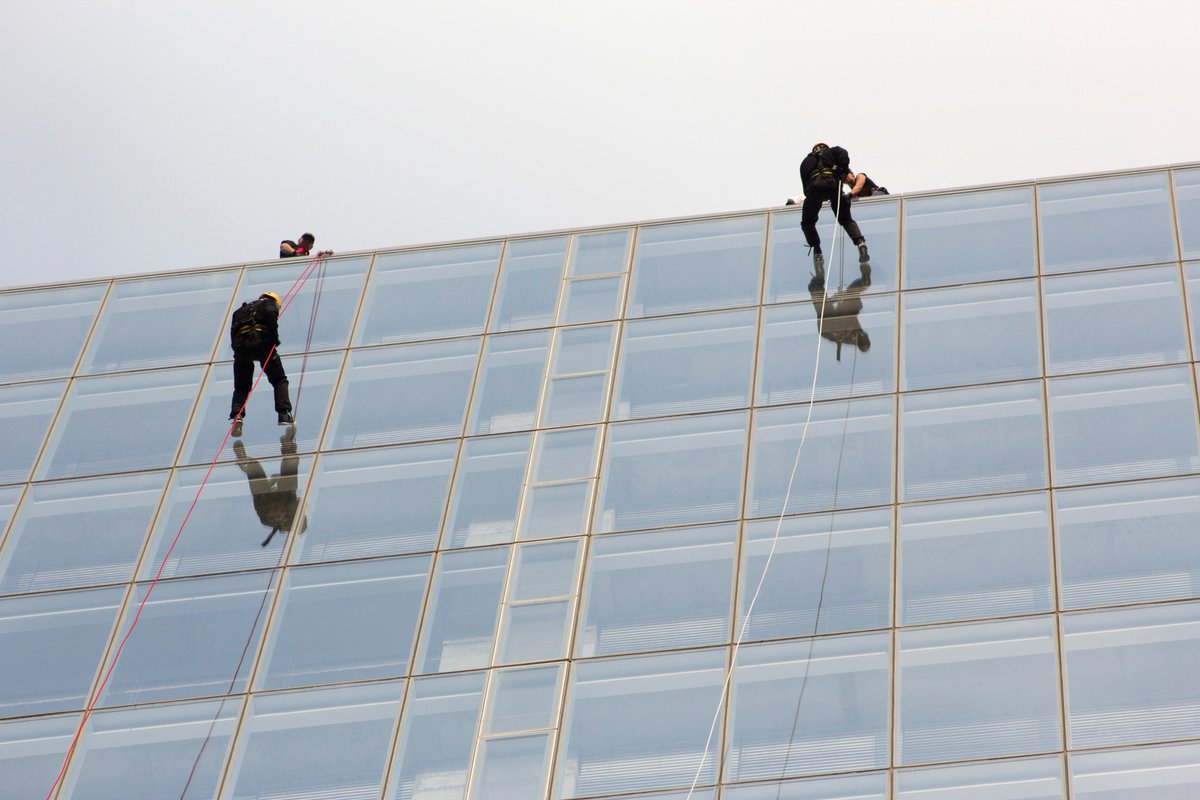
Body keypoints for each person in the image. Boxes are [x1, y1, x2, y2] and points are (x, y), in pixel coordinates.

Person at [796, 143, 871, 277]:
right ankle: (860, 243)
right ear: (824, 147)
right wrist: (842, 172)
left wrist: (814, 196)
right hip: (833, 185)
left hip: (815, 187)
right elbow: (843, 154)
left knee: (807, 222)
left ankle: (817, 251)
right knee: (845, 219)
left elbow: (805, 186)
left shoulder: (805, 162)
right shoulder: (832, 151)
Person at [228, 291, 294, 434]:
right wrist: (274, 339)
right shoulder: (269, 304)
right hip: (261, 343)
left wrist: (238, 353)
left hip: (242, 348)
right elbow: (271, 316)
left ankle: (237, 416)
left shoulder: (239, 311)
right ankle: (284, 413)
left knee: (241, 387)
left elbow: (233, 333)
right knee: (279, 380)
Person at [233, 429, 306, 547]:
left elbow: (299, 501)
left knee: (290, 484)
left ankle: (289, 451)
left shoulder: (292, 516)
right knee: (255, 471)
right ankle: (246, 463)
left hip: (283, 504)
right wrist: (272, 483)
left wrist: (273, 482)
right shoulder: (271, 523)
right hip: (264, 507)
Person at [809, 273, 871, 361]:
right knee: (850, 292)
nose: (864, 333)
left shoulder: (854, 336)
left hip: (828, 325)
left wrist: (837, 299)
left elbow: (844, 319)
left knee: (851, 291)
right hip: (828, 325)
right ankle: (865, 282)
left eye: (865, 336)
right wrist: (837, 299)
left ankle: (865, 283)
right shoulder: (854, 337)